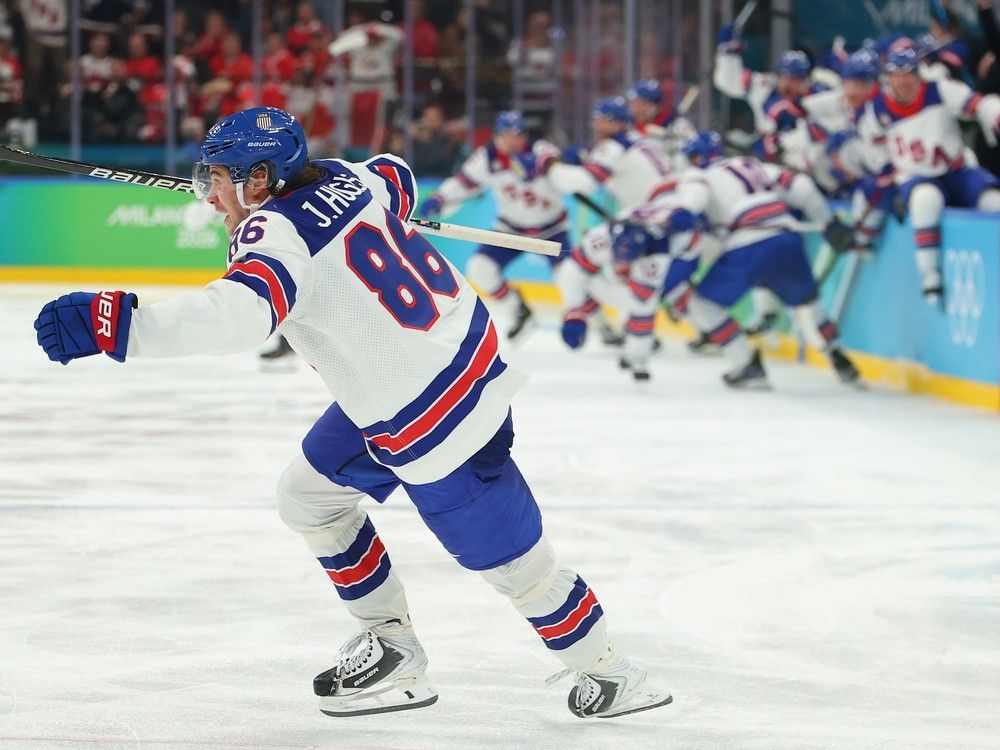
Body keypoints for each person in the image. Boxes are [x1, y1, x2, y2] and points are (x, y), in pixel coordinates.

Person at [32, 106, 671, 720]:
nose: (208, 196)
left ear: (260, 178)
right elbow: (398, 174)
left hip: (431, 417)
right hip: (441, 367)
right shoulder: (348, 175)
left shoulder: (274, 232)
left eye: (219, 180)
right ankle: (391, 645)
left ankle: (613, 673)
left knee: (515, 567)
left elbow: (241, 314)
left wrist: (119, 324)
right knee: (307, 499)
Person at [674, 131, 859, 389]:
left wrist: (681, 213)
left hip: (749, 241)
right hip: (786, 236)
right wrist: (828, 223)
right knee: (808, 304)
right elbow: (801, 187)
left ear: (695, 157)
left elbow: (695, 204)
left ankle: (745, 362)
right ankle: (839, 357)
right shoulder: (752, 164)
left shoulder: (698, 176)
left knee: (702, 305)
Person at [857, 46, 1000, 303]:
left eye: (909, 74)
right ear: (888, 78)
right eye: (896, 75)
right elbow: (870, 141)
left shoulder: (939, 90)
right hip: (916, 176)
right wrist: (885, 168)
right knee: (926, 199)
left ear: (918, 74)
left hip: (956, 170)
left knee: (994, 202)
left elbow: (977, 103)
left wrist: (994, 113)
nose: (903, 81)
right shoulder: (878, 109)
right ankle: (929, 274)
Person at [420, 110, 568, 341]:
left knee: (571, 277)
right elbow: (463, 182)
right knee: (480, 267)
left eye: (517, 134)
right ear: (497, 136)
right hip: (511, 228)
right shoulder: (486, 158)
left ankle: (602, 324)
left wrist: (546, 168)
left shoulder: (541, 152)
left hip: (552, 229)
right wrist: (441, 197)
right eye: (505, 134)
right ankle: (518, 310)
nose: (511, 140)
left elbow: (563, 170)